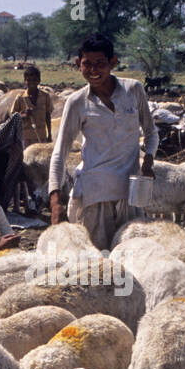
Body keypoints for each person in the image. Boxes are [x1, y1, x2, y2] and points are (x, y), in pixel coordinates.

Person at [48, 33, 157, 251]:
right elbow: (60, 152)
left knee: (132, 257)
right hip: (94, 197)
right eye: (87, 64)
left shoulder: (133, 90)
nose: (94, 71)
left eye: (101, 64)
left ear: (113, 62)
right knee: (98, 264)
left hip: (130, 195)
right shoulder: (77, 102)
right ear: (79, 64)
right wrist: (54, 201)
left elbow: (151, 132)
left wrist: (148, 161)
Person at [8, 64, 53, 148]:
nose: (31, 83)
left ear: (39, 81)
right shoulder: (20, 98)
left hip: (41, 136)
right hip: (25, 138)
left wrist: (49, 134)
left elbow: (48, 115)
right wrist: (22, 115)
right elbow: (12, 116)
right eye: (29, 80)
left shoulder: (45, 96)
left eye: (34, 80)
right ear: (25, 81)